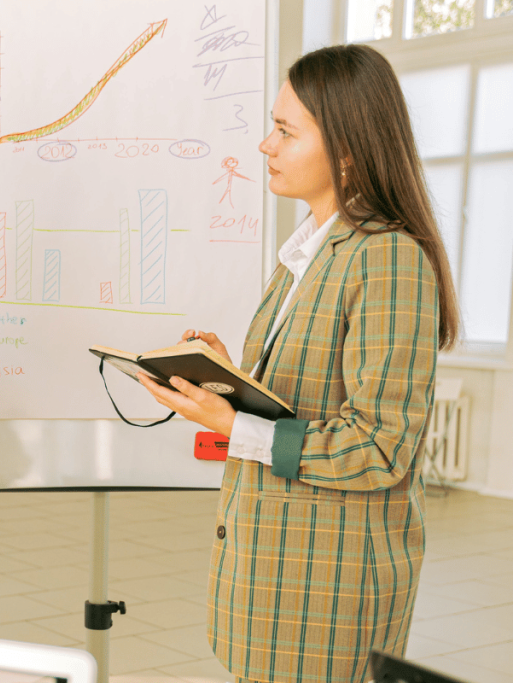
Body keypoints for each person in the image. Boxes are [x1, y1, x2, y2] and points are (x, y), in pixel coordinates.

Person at [139, 44, 459, 683]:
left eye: (285, 130)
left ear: (345, 148)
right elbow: (305, 400)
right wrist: (230, 382)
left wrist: (236, 425)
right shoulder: (312, 253)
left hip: (329, 587)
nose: (265, 145)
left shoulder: (386, 258)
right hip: (278, 572)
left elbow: (379, 446)